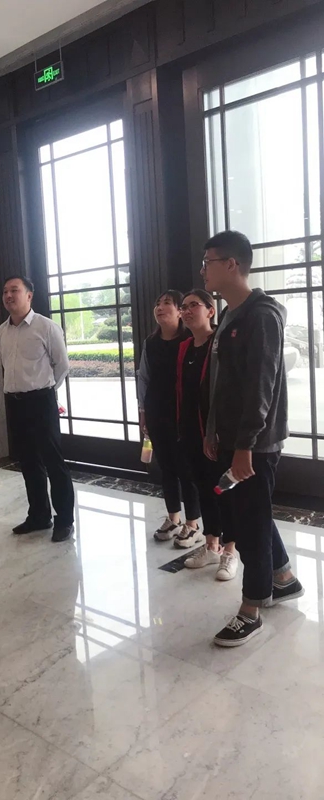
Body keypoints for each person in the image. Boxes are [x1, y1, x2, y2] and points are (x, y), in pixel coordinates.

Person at [201, 230, 303, 647]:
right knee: (251, 513)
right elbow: (221, 383)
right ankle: (283, 577)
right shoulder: (230, 314)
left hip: (255, 444)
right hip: (232, 437)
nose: (203, 270)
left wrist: (244, 446)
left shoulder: (261, 316)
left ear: (232, 265)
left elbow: (262, 386)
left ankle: (251, 608)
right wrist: (213, 430)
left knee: (250, 523)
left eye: (208, 262)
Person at [0, 276, 75, 542]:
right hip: (14, 402)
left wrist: (46, 390)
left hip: (41, 401)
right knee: (28, 461)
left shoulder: (46, 327)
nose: (8, 295)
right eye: (5, 291)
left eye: (14, 290)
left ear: (29, 295)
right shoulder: (2, 331)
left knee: (53, 462)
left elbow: (62, 366)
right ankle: (39, 516)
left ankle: (64, 520)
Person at [176, 289, 238, 580]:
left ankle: (230, 551)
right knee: (202, 487)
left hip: (215, 433)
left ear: (211, 311)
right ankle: (211, 545)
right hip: (190, 430)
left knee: (223, 491)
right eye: (184, 307)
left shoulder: (219, 343)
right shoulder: (185, 346)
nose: (187, 311)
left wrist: (214, 433)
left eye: (194, 305)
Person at [137, 291, 202, 547]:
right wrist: (143, 412)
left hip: (183, 414)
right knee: (166, 468)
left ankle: (193, 524)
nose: (160, 307)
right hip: (156, 411)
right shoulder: (151, 342)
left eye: (167, 303)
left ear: (179, 312)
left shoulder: (189, 340)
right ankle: (173, 518)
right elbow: (144, 378)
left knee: (186, 468)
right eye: (157, 303)